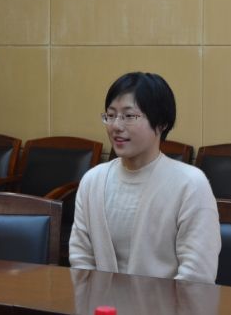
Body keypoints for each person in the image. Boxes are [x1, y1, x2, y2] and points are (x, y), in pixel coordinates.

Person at [69, 72, 221, 284]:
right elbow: (81, 260)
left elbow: (197, 276)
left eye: (129, 116)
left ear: (161, 123)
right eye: (110, 115)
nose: (116, 126)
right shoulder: (92, 181)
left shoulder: (190, 184)